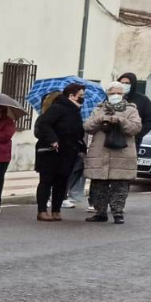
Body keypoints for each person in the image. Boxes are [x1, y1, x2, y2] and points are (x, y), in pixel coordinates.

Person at [83, 83, 143, 224]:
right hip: (100, 152)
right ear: (107, 93)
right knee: (99, 184)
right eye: (112, 92)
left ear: (123, 95)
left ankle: (118, 213)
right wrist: (100, 120)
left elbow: (136, 128)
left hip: (122, 153)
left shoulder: (131, 110)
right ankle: (100, 212)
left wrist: (120, 120)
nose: (115, 95)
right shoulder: (99, 109)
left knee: (120, 185)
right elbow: (87, 126)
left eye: (119, 93)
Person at [33, 84, 86, 221]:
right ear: (71, 96)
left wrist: (81, 147)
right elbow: (44, 124)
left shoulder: (76, 111)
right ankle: (42, 211)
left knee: (61, 182)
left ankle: (56, 210)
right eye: (80, 95)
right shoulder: (57, 108)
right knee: (46, 181)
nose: (82, 98)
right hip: (51, 152)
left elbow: (77, 133)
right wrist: (53, 139)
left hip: (68, 152)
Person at [116, 72, 151, 140]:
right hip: (112, 139)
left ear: (133, 84)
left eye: (127, 83)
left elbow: (150, 121)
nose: (124, 85)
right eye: (121, 83)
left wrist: (137, 135)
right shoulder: (114, 98)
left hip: (132, 141)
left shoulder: (143, 100)